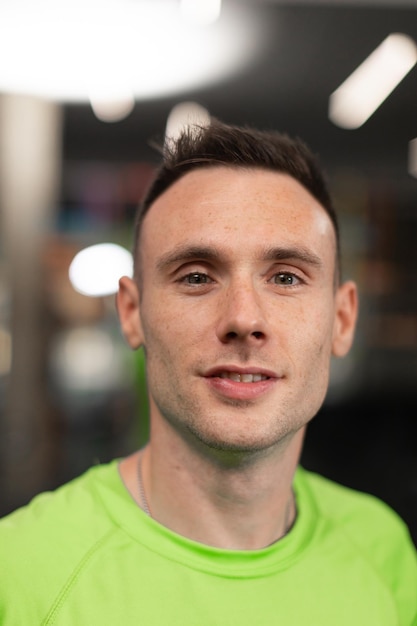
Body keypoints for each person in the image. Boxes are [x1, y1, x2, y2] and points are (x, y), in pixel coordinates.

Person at [0, 119, 416, 625]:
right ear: (132, 313)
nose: (244, 318)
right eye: (196, 276)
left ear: (342, 319)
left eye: (286, 277)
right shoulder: (20, 575)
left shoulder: (383, 547)